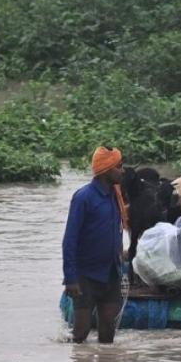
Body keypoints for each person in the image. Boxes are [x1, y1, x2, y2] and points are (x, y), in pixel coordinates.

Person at [62, 146, 128, 344]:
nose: (122, 171)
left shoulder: (115, 197)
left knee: (108, 335)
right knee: (80, 335)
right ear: (106, 170)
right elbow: (70, 239)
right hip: (86, 276)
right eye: (119, 166)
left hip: (111, 273)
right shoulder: (84, 197)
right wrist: (70, 278)